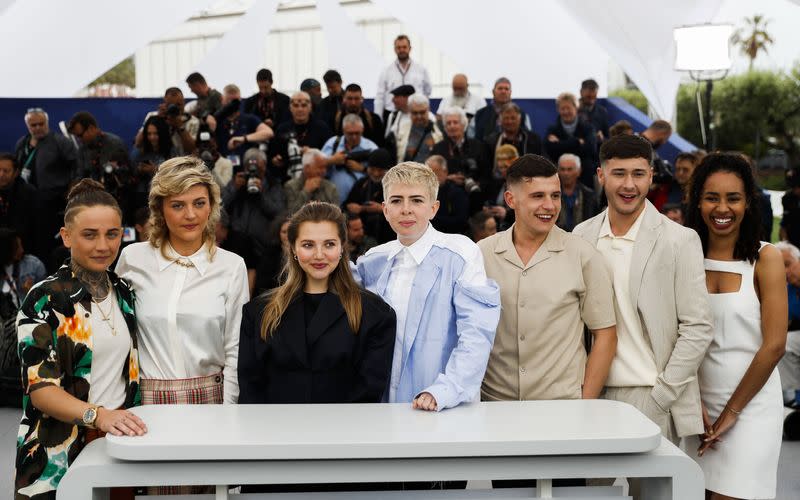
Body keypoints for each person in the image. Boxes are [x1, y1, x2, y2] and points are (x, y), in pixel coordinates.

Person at [573, 134, 713, 499]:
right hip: (593, 395)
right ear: (600, 175)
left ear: (652, 176)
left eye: (638, 173)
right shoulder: (581, 236)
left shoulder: (679, 240)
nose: (629, 185)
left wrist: (662, 396)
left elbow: (697, 327)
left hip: (652, 393)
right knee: (588, 495)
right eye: (619, 173)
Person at [15, 179, 146, 500]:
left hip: (118, 446)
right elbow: (41, 392)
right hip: (58, 449)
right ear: (66, 236)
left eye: (112, 234)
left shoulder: (125, 291)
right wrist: (99, 415)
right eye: (90, 235)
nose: (103, 246)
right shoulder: (45, 297)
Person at [356, 161, 501, 411]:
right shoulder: (373, 259)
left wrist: (445, 390)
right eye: (396, 200)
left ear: (434, 208)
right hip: (382, 406)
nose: (406, 210)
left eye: (417, 200)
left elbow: (476, 334)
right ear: (384, 209)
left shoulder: (461, 253)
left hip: (443, 404)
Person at [683, 153, 787, 500]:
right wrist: (692, 401)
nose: (722, 208)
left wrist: (731, 412)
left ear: (748, 203)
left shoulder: (765, 258)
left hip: (752, 410)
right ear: (698, 201)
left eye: (733, 198)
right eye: (712, 197)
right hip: (696, 409)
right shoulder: (685, 257)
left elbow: (774, 346)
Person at [116, 157, 248, 418]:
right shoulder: (132, 259)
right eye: (178, 205)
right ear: (160, 210)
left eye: (199, 203)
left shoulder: (232, 266)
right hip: (144, 406)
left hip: (212, 404)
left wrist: (229, 413)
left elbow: (235, 350)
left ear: (211, 206)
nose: (191, 215)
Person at [239, 201, 395, 403]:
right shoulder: (258, 312)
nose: (319, 255)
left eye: (329, 244)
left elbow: (369, 391)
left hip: (344, 431)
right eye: (308, 245)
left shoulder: (376, 314)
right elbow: (250, 388)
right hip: (276, 431)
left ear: (342, 248)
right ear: (293, 248)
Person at [14, 108, 79, 259]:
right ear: (28, 125)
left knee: (47, 242)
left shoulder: (60, 142)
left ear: (47, 123)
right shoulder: (22, 143)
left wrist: (72, 187)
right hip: (25, 200)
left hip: (51, 201)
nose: (37, 128)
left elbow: (76, 166)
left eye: (40, 124)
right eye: (33, 125)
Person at [222, 148, 286, 259]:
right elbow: (221, 206)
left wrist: (261, 195)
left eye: (258, 169)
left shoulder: (273, 185)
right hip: (237, 243)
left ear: (265, 166)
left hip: (264, 245)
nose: (254, 172)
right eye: (250, 168)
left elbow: (279, 213)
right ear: (245, 167)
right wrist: (235, 188)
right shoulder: (237, 181)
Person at [270, 91, 334, 180]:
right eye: (296, 106)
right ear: (290, 108)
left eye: (304, 105)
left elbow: (330, 155)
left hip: (316, 176)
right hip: (288, 178)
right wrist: (276, 160)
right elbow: (273, 154)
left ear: (310, 107)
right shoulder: (282, 129)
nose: (300, 109)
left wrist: (312, 153)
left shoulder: (322, 128)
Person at [322, 114, 378, 204]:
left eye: (357, 133)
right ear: (343, 131)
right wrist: (332, 160)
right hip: (332, 201)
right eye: (350, 133)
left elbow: (382, 176)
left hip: (360, 204)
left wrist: (363, 169)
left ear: (362, 130)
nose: (354, 137)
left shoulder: (371, 147)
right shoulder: (333, 143)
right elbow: (315, 166)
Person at [432, 107, 489, 196]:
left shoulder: (478, 146)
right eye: (448, 123)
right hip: (446, 197)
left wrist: (476, 183)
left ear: (464, 125)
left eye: (455, 122)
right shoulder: (438, 149)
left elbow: (487, 175)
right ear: (445, 128)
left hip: (474, 196)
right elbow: (431, 177)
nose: (452, 126)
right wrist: (448, 178)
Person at [544, 92, 597, 188]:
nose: (565, 112)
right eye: (562, 109)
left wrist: (560, 144)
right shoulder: (552, 129)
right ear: (558, 110)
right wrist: (576, 142)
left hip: (585, 174)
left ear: (576, 108)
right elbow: (550, 151)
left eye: (568, 108)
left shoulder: (588, 128)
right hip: (559, 175)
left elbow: (591, 150)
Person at [374, 35, 432, 120]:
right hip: (392, 113)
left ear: (410, 48)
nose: (401, 50)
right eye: (398, 47)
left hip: (415, 113)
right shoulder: (386, 71)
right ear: (395, 49)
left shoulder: (421, 69)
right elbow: (380, 96)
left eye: (404, 47)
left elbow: (428, 91)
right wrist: (378, 118)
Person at [343, 148, 394, 243]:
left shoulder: (396, 187)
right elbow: (346, 205)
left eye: (380, 170)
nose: (376, 173)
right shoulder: (362, 183)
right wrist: (351, 209)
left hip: (388, 238)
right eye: (373, 169)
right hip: (362, 239)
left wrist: (382, 209)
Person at [212, 84, 274, 159]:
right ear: (222, 100)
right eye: (228, 101)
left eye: (235, 101)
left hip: (245, 165)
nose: (232, 105)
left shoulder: (249, 119)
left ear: (240, 100)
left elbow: (268, 132)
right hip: (223, 166)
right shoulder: (217, 120)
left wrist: (244, 138)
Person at [0, 152, 39, 260]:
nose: (1, 175)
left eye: (6, 171)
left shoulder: (28, 193)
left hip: (24, 250)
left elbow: (34, 228)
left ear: (16, 172)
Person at [470, 77, 532, 141]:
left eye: (506, 89)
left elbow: (528, 136)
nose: (503, 91)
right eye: (500, 88)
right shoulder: (480, 114)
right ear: (493, 92)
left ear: (510, 93)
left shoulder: (521, 114)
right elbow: (471, 137)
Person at [485, 102, 542, 170]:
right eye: (506, 118)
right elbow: (486, 170)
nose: (509, 121)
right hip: (498, 179)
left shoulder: (533, 139)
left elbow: (542, 163)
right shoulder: (490, 141)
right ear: (500, 120)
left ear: (519, 119)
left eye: (513, 118)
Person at [285, 149, 340, 213]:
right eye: (320, 167)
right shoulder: (290, 186)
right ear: (307, 168)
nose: (324, 171)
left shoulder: (330, 187)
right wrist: (306, 192)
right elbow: (291, 214)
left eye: (325, 167)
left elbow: (337, 214)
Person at [556, 153, 598, 232]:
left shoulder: (589, 196)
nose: (566, 173)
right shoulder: (551, 195)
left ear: (578, 171)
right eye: (562, 169)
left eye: (569, 169)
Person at [427, 155, 469, 234]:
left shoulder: (457, 193)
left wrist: (429, 218)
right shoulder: (422, 193)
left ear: (445, 172)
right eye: (427, 173)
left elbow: (460, 221)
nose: (431, 177)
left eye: (435, 172)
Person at [334, 83, 385, 148]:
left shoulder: (374, 119)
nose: (353, 103)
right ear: (344, 99)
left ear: (362, 99)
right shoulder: (335, 119)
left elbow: (380, 145)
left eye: (356, 99)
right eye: (350, 98)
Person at [397, 94, 442, 163]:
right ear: (409, 111)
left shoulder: (439, 129)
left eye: (422, 112)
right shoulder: (399, 130)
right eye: (415, 113)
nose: (419, 116)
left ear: (428, 110)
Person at [482, 144, 518, 230]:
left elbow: (527, 212)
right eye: (500, 168)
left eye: (506, 167)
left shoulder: (525, 185)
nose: (503, 171)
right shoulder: (497, 184)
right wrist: (487, 210)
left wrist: (507, 214)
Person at [254, 215, 291, 296]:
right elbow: (263, 281)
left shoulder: (304, 251)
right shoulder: (270, 253)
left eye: (290, 231)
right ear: (278, 233)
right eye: (284, 232)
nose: (287, 235)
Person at [578, 78, 609, 144]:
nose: (591, 99)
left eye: (594, 96)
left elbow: (608, 137)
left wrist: (602, 138)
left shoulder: (602, 111)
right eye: (588, 96)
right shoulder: (572, 110)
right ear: (581, 92)